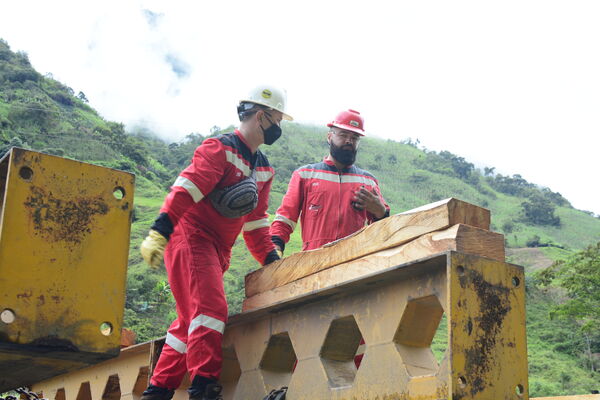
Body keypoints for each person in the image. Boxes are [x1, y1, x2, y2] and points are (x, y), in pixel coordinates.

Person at [139, 85, 292, 400]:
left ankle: (157, 392)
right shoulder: (219, 149)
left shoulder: (263, 169)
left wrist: (271, 260)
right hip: (191, 237)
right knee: (210, 310)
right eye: (278, 119)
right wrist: (160, 231)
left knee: (189, 322)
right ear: (262, 117)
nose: (279, 127)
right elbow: (186, 189)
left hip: (218, 250)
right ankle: (204, 389)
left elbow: (256, 222)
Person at [270, 109, 390, 254]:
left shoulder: (368, 181)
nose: (349, 141)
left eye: (355, 137)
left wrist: (381, 212)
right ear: (329, 137)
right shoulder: (305, 175)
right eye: (343, 134)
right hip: (313, 263)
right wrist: (275, 249)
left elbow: (384, 231)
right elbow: (285, 218)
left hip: (353, 262)